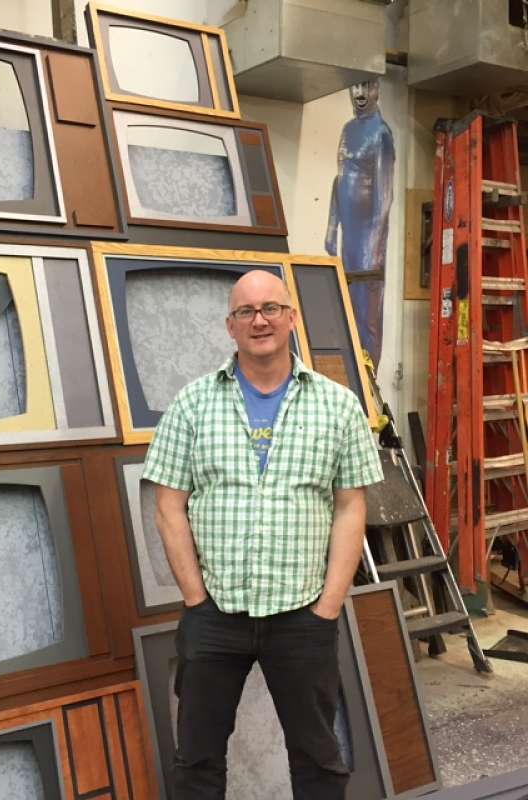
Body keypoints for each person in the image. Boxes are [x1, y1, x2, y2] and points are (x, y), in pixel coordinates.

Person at [142, 270, 383, 800]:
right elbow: (168, 507)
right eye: (246, 312)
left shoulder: (338, 406)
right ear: (230, 326)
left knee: (318, 761)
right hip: (214, 616)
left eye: (271, 308)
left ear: (291, 318)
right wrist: (195, 599)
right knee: (197, 760)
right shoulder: (192, 404)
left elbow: (351, 508)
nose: (260, 321)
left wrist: (328, 607)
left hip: (302, 616)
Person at [325, 78, 395, 367]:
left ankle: (370, 380)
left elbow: (385, 195)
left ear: (377, 89)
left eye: (367, 86)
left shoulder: (381, 133)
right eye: (355, 86)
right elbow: (339, 179)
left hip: (369, 240)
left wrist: (373, 246)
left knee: (368, 313)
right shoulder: (347, 129)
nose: (360, 93)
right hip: (349, 239)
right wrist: (332, 226)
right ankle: (351, 375)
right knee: (347, 308)